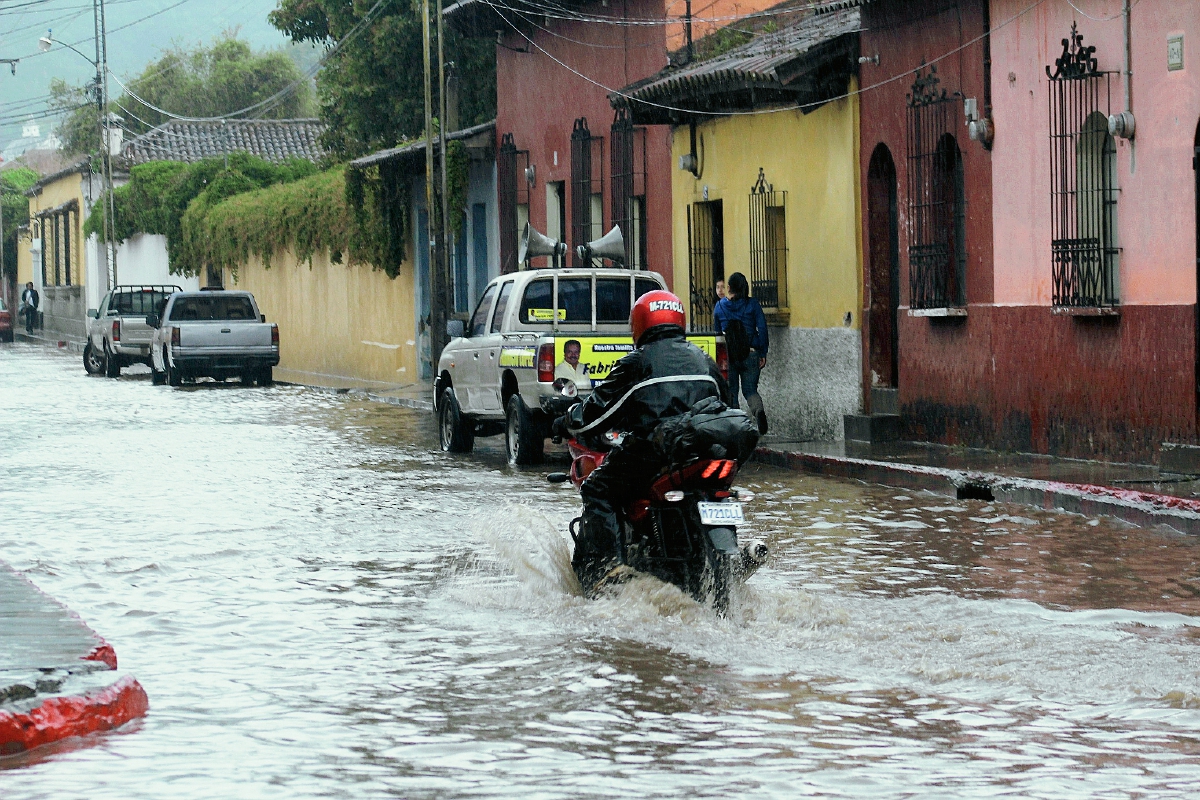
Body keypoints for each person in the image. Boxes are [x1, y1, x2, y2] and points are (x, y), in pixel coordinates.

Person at [556, 290, 730, 594]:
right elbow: (728, 406)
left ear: (640, 324)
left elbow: (595, 415)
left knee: (597, 488)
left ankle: (610, 571)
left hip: (655, 454)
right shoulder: (705, 361)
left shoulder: (638, 363)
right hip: (705, 453)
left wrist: (568, 419)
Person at [713, 272, 769, 434]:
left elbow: (717, 334)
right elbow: (763, 328)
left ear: (729, 288)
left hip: (729, 356)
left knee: (732, 392)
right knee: (750, 390)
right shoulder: (753, 305)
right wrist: (762, 351)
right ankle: (758, 412)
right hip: (751, 353)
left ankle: (737, 428)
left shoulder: (720, 306)